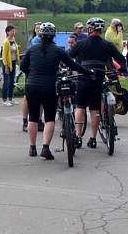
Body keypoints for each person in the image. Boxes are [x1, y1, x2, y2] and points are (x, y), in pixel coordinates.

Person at [20, 22, 89, 159]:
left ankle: (32, 147)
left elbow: (22, 66)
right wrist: (87, 71)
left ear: (40, 35)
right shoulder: (58, 50)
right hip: (49, 86)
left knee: (33, 118)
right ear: (53, 36)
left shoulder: (32, 50)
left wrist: (32, 73)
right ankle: (45, 148)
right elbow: (73, 65)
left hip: (32, 85)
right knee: (49, 118)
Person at [69, 17, 127, 148]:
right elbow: (121, 59)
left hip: (83, 79)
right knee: (95, 109)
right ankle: (93, 138)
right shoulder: (107, 45)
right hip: (98, 79)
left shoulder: (81, 43)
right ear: (101, 30)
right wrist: (122, 69)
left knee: (80, 107)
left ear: (89, 29)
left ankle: (78, 136)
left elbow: (69, 57)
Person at [1, 25, 21, 105]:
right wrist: (6, 66)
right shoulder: (6, 42)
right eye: (12, 31)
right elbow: (4, 55)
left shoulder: (13, 40)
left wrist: (17, 47)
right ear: (7, 32)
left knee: (12, 81)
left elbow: (14, 49)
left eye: (14, 31)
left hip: (13, 62)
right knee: (7, 82)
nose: (13, 32)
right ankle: (5, 100)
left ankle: (10, 98)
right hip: (7, 64)